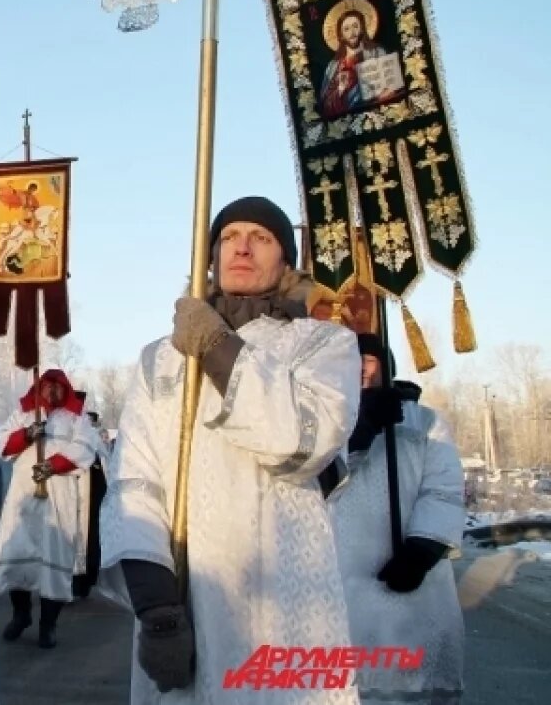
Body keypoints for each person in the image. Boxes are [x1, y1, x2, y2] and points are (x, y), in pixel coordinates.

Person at [102, 195, 361, 701]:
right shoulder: (159, 358)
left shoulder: (323, 345)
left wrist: (218, 347)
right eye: (228, 237)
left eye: (260, 238)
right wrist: (156, 607)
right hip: (186, 595)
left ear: (284, 260)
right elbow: (135, 478)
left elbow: (304, 442)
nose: (242, 248)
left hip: (284, 597)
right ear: (211, 256)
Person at [331, 333, 466, 704]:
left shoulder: (424, 421)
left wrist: (424, 548)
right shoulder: (325, 420)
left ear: (386, 365)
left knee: (407, 684)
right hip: (342, 582)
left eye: (368, 359)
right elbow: (316, 480)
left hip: (411, 587)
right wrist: (362, 429)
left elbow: (443, 489)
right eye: (348, 358)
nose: (359, 367)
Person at [0, 370, 98, 649]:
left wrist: (51, 465)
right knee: (17, 554)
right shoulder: (23, 414)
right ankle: (21, 614)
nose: (52, 391)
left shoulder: (77, 418)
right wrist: (26, 435)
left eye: (58, 387)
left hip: (58, 497)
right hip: (24, 497)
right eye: (47, 386)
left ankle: (48, 625)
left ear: (66, 390)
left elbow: (86, 448)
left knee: (54, 561)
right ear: (38, 388)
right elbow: (2, 445)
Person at [319, 6, 397, 119]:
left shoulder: (377, 52)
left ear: (362, 28)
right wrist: (340, 89)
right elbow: (325, 107)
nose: (352, 32)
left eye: (355, 26)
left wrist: (388, 93)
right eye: (346, 29)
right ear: (341, 35)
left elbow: (392, 83)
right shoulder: (333, 66)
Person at [73, 406, 108, 600]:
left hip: (93, 499)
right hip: (73, 499)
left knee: (90, 542)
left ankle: (84, 583)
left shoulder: (96, 439)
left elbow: (105, 461)